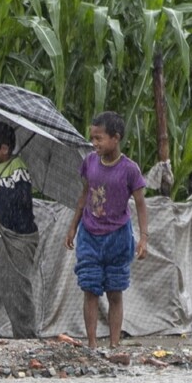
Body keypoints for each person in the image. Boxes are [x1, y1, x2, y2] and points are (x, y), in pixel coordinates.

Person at [65, 111, 148, 353]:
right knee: (89, 288)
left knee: (115, 290)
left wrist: (144, 237)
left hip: (118, 237)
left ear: (116, 138)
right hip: (89, 234)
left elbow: (141, 204)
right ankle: (91, 344)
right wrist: (72, 227)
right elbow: (84, 195)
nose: (95, 144)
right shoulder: (89, 162)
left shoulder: (129, 170)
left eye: (99, 138)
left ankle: (114, 343)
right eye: (93, 138)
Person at [0, 121, 40, 339]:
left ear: (4, 149)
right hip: (3, 231)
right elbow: (8, 206)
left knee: (16, 287)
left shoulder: (18, 168)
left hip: (20, 237)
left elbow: (22, 200)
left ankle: (26, 336)